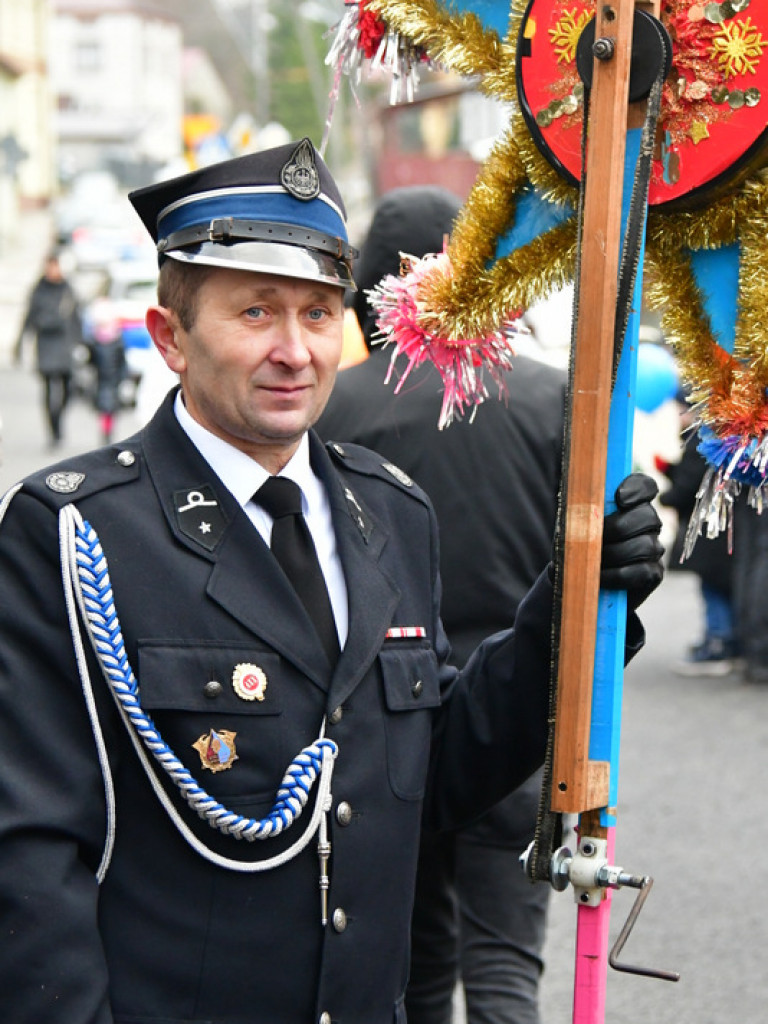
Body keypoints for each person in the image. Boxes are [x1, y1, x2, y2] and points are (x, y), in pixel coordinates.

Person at [0, 139, 663, 1024]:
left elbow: (435, 775)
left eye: (318, 314)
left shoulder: (389, 512)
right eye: (256, 313)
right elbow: (29, 853)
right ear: (171, 337)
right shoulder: (78, 529)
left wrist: (572, 607)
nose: (294, 351)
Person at [316, 186, 567, 1024]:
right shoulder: (551, 398)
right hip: (521, 718)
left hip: (386, 725)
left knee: (409, 975)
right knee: (503, 970)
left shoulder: (336, 407)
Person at [656, 393, 740, 676]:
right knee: (722, 586)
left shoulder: (701, 439)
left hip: (709, 528)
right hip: (725, 525)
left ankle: (718, 642)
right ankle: (724, 640)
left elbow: (690, 484)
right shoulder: (726, 434)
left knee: (713, 587)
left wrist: (666, 496)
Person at [14, 249, 83, 447]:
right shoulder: (39, 290)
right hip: (46, 345)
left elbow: (76, 317)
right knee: (49, 388)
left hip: (65, 344)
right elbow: (29, 318)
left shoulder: (68, 289)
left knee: (69, 388)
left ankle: (58, 416)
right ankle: (53, 429)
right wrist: (19, 344)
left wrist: (81, 343)